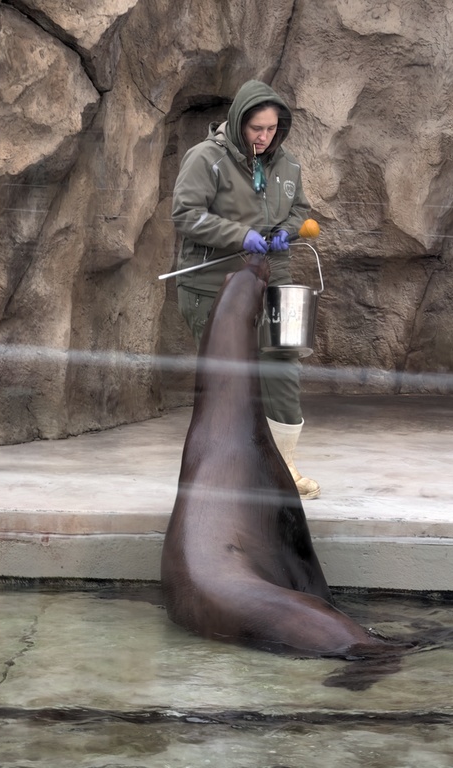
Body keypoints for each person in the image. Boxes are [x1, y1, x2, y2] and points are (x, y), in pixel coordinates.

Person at [171, 79, 320, 499]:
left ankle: (283, 466)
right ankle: (225, 471)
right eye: (256, 128)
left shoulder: (288, 165)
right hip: (215, 283)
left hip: (274, 278)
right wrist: (240, 235)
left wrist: (287, 231)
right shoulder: (207, 159)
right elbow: (185, 214)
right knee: (228, 378)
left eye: (271, 129)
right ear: (239, 122)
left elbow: (301, 210)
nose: (264, 137)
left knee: (282, 365)